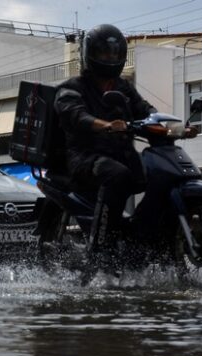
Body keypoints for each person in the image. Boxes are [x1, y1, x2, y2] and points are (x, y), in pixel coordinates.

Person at [53, 23, 156, 266]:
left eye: (115, 53)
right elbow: (76, 115)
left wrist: (168, 124)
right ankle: (100, 247)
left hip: (120, 153)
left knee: (154, 174)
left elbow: (145, 109)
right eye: (104, 53)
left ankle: (139, 237)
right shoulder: (72, 88)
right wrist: (105, 125)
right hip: (84, 157)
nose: (110, 58)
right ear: (91, 54)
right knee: (117, 175)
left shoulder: (123, 87)